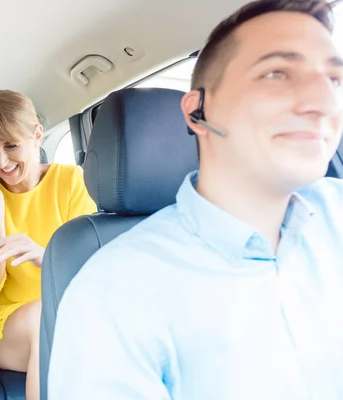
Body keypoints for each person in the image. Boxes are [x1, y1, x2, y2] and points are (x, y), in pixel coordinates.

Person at [49, 0, 343, 399]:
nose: (320, 103)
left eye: (334, 79)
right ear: (198, 111)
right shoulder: (115, 291)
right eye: (276, 73)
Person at [0, 90, 97, 400]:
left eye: (11, 146)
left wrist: (46, 258)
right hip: (8, 326)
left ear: (37, 135)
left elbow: (90, 272)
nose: (1, 161)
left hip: (72, 314)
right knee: (44, 319)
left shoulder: (70, 182)